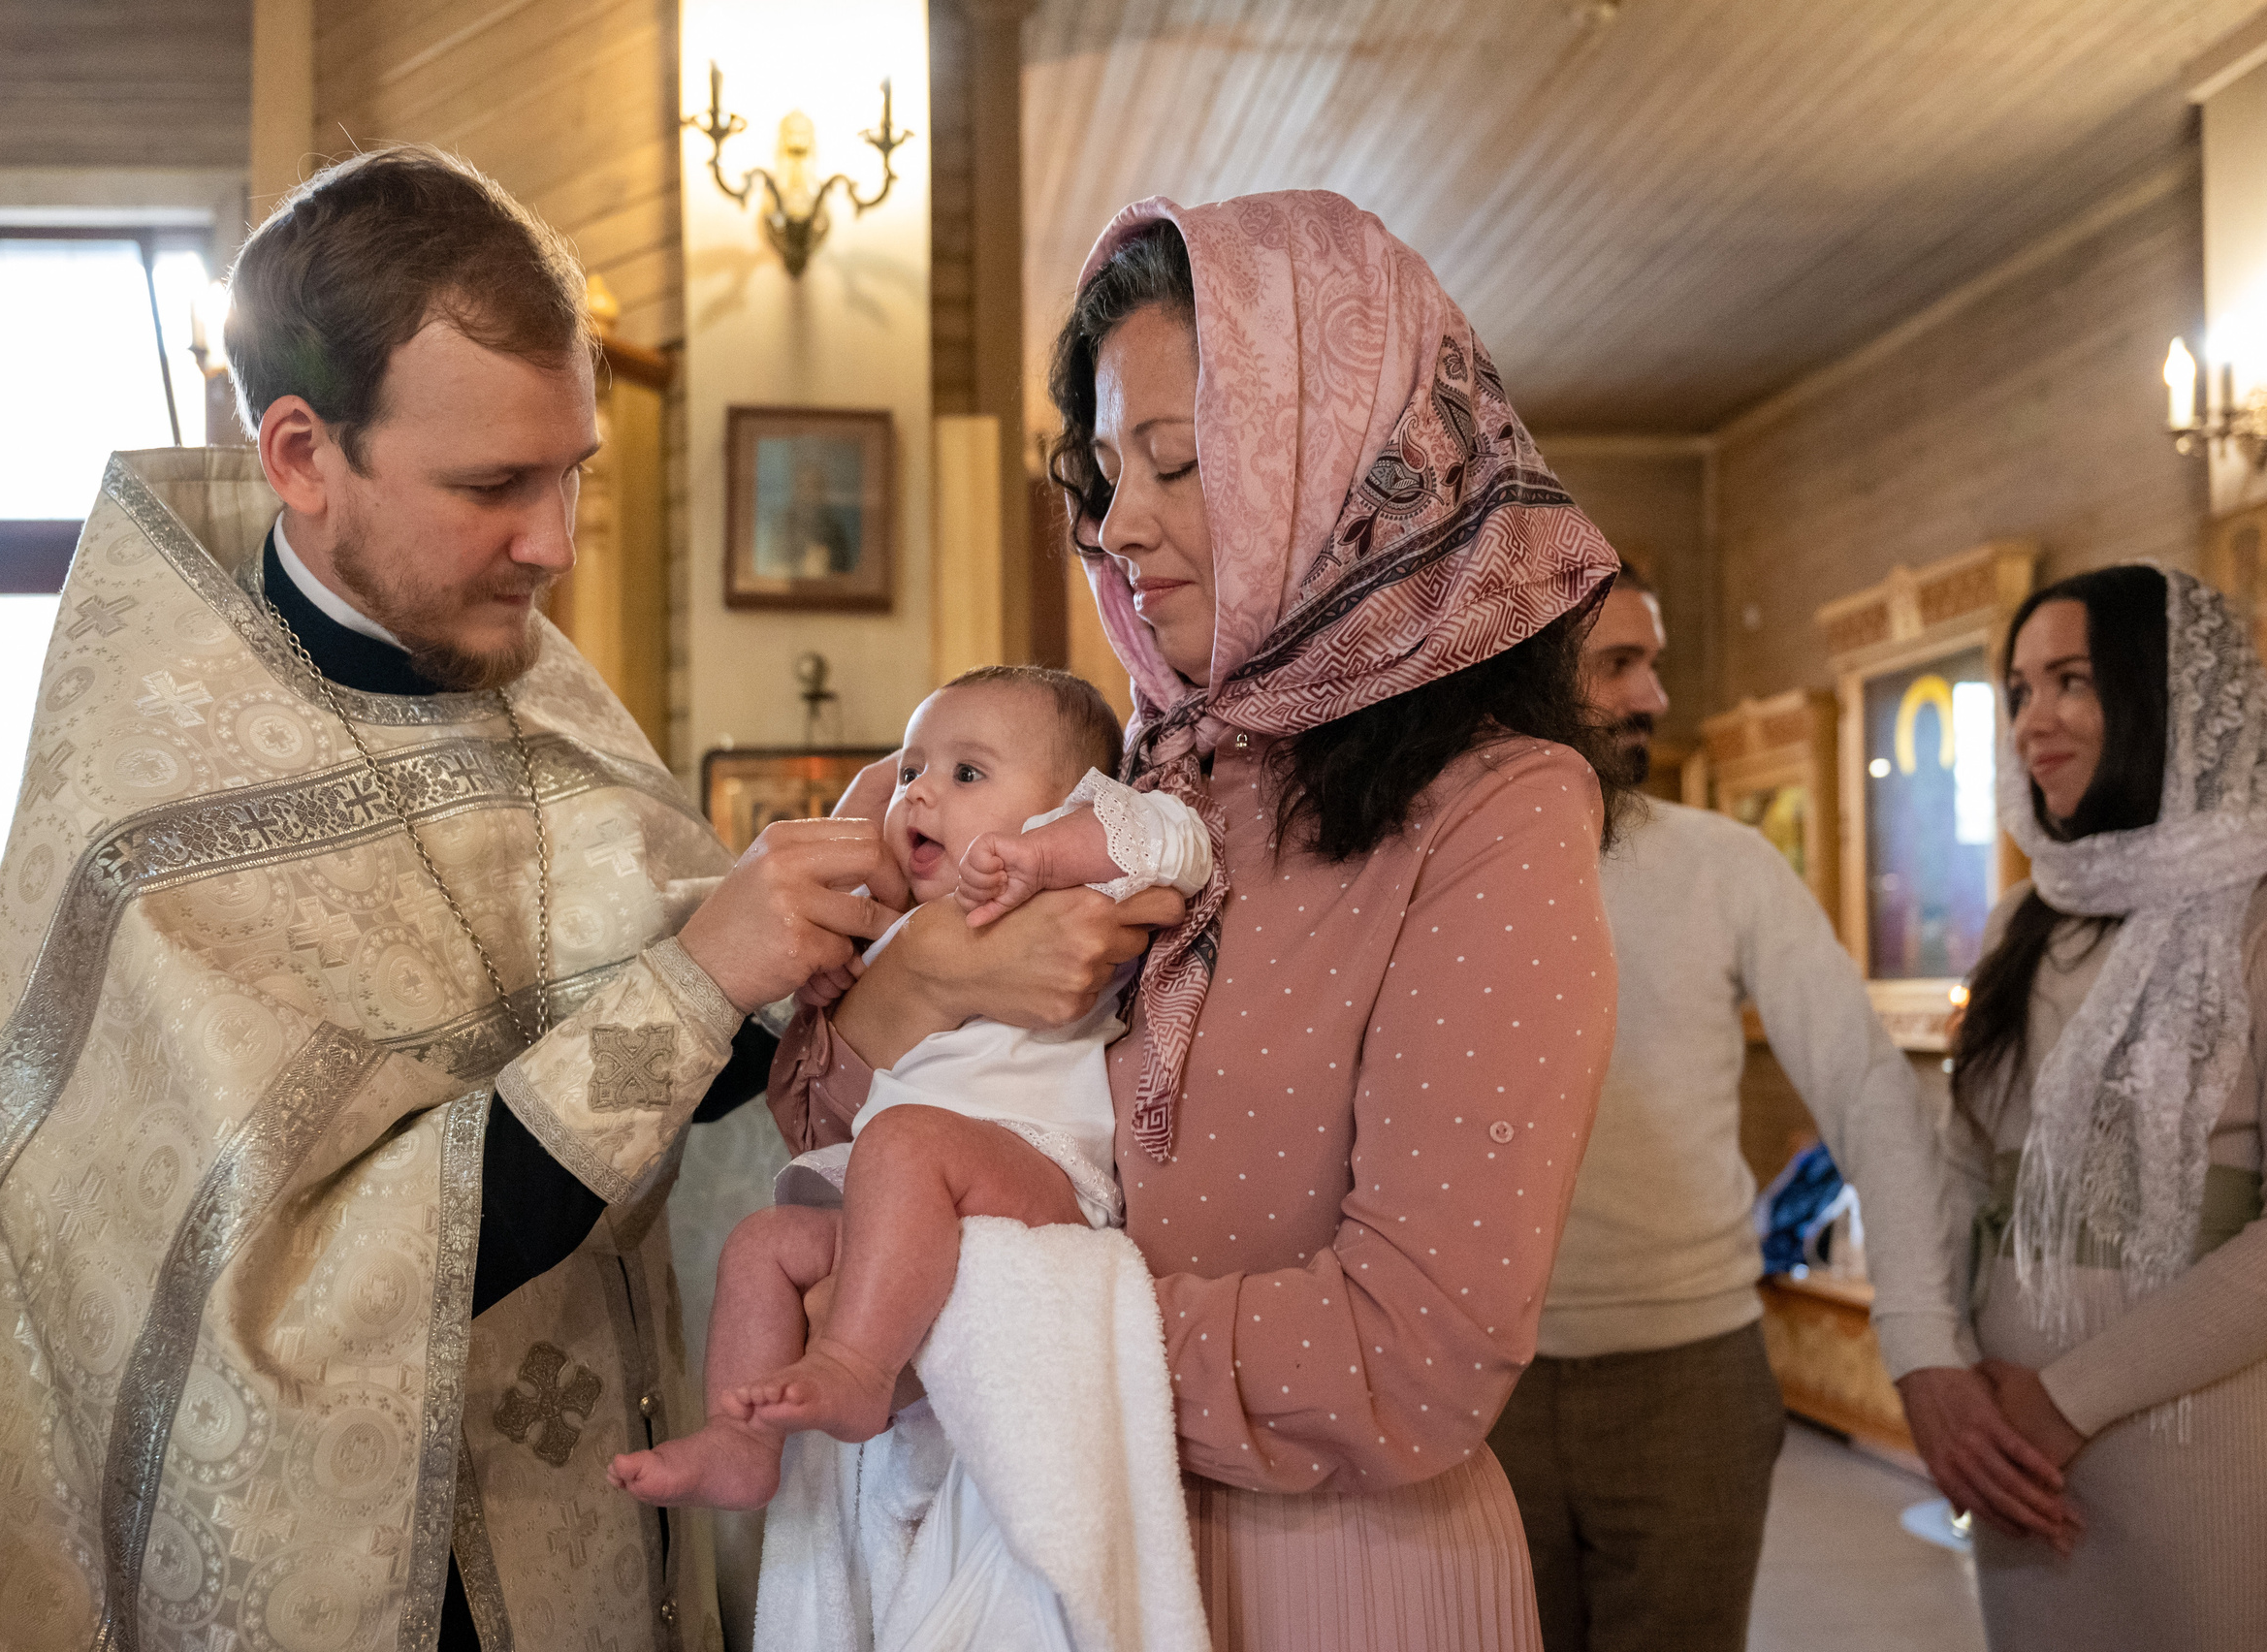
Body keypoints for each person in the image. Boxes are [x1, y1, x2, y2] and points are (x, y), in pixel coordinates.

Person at [0, 147, 1167, 1652]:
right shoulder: (146, 827)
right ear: (304, 456)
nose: (554, 544)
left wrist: (920, 970)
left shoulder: (519, 684)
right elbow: (262, 1311)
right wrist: (719, 976)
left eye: (571, 471)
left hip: (587, 1518)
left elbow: (711, 1098)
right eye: (492, 485)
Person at [773, 191, 1622, 1650]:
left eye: (1179, 464)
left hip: (1323, 1575)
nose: (1118, 527)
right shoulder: (1131, 780)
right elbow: (837, 1131)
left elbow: (1410, 1356)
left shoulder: (1497, 811)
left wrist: (957, 1320)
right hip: (1046, 1542)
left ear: (1345, 466)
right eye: (1104, 472)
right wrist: (917, 987)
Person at [1485, 561, 2049, 1652]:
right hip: (1476, 1380)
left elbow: (1864, 1086)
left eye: (1654, 664)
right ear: (1531, 670)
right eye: (1619, 664)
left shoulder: (1724, 867)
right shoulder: (1434, 867)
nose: (1652, 696)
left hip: (1688, 1377)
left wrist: (1921, 1346)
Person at [609, 665, 1209, 1509]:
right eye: (911, 771)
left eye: (967, 773)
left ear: (1073, 803)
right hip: (899, 1202)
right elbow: (824, 1068)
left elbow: (1174, 841)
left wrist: (1046, 849)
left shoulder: (1075, 887)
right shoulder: (900, 930)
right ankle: (740, 1442)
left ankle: (857, 1366)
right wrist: (830, 984)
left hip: (1037, 1177)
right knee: (763, 1244)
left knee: (903, 1140)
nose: (922, 793)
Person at [1942, 564, 2267, 1651]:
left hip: (2202, 1438)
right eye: (2020, 690)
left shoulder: (2255, 913)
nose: (2035, 721)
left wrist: (2069, 1397)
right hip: (2012, 1452)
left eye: (2071, 682)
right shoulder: (2019, 923)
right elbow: (1962, 1166)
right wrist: (1949, 1380)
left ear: (2162, 696)